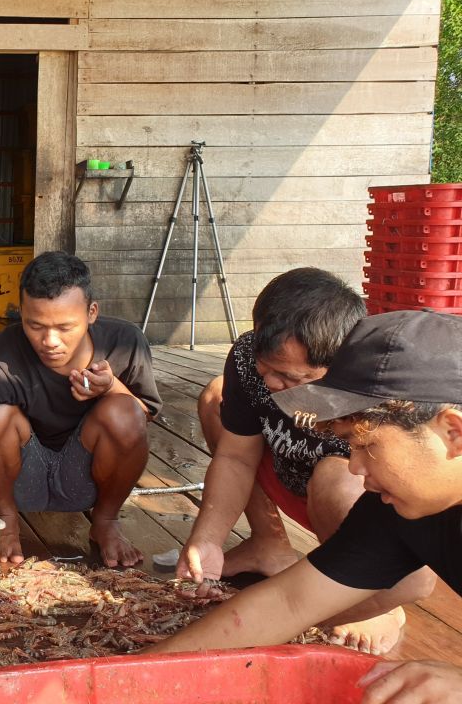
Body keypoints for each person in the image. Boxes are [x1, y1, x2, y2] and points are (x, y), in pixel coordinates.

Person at [149, 310, 461, 703]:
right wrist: (130, 674)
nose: (354, 465)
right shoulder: (394, 509)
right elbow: (287, 602)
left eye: (367, 446)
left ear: (453, 432)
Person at [178, 268, 435, 652]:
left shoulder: (369, 383)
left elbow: (417, 558)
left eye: (288, 376)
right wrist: (208, 537)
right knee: (217, 399)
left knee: (338, 474)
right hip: (284, 470)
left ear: (338, 364)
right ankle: (269, 544)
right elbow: (234, 457)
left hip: (350, 496)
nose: (270, 382)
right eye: (265, 369)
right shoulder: (251, 359)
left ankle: (369, 596)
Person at [0, 250, 163, 627]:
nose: (50, 341)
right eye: (35, 325)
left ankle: (105, 521)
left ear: (91, 313)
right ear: (20, 313)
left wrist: (112, 388)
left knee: (123, 410)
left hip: (87, 476)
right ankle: (8, 521)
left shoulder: (126, 341)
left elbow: (144, 417)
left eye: (65, 326)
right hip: (23, 475)